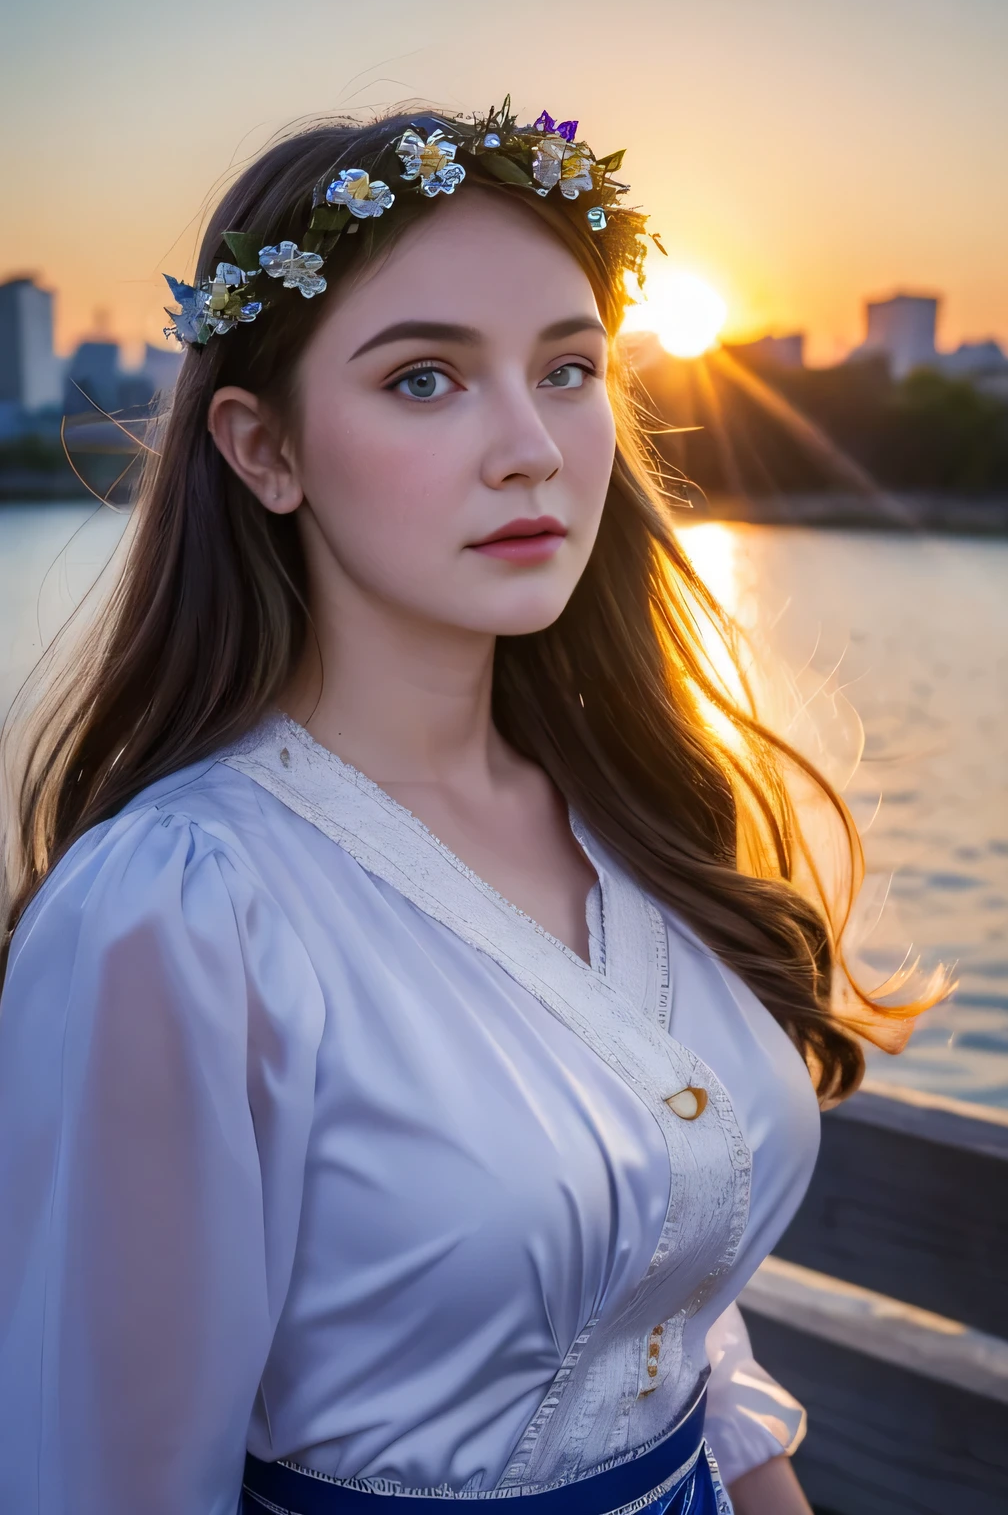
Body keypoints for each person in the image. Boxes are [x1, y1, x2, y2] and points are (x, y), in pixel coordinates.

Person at [0, 102, 942, 1515]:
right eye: (426, 380)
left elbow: (668, 1297)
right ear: (264, 450)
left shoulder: (641, 821)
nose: (533, 448)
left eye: (569, 370)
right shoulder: (181, 910)